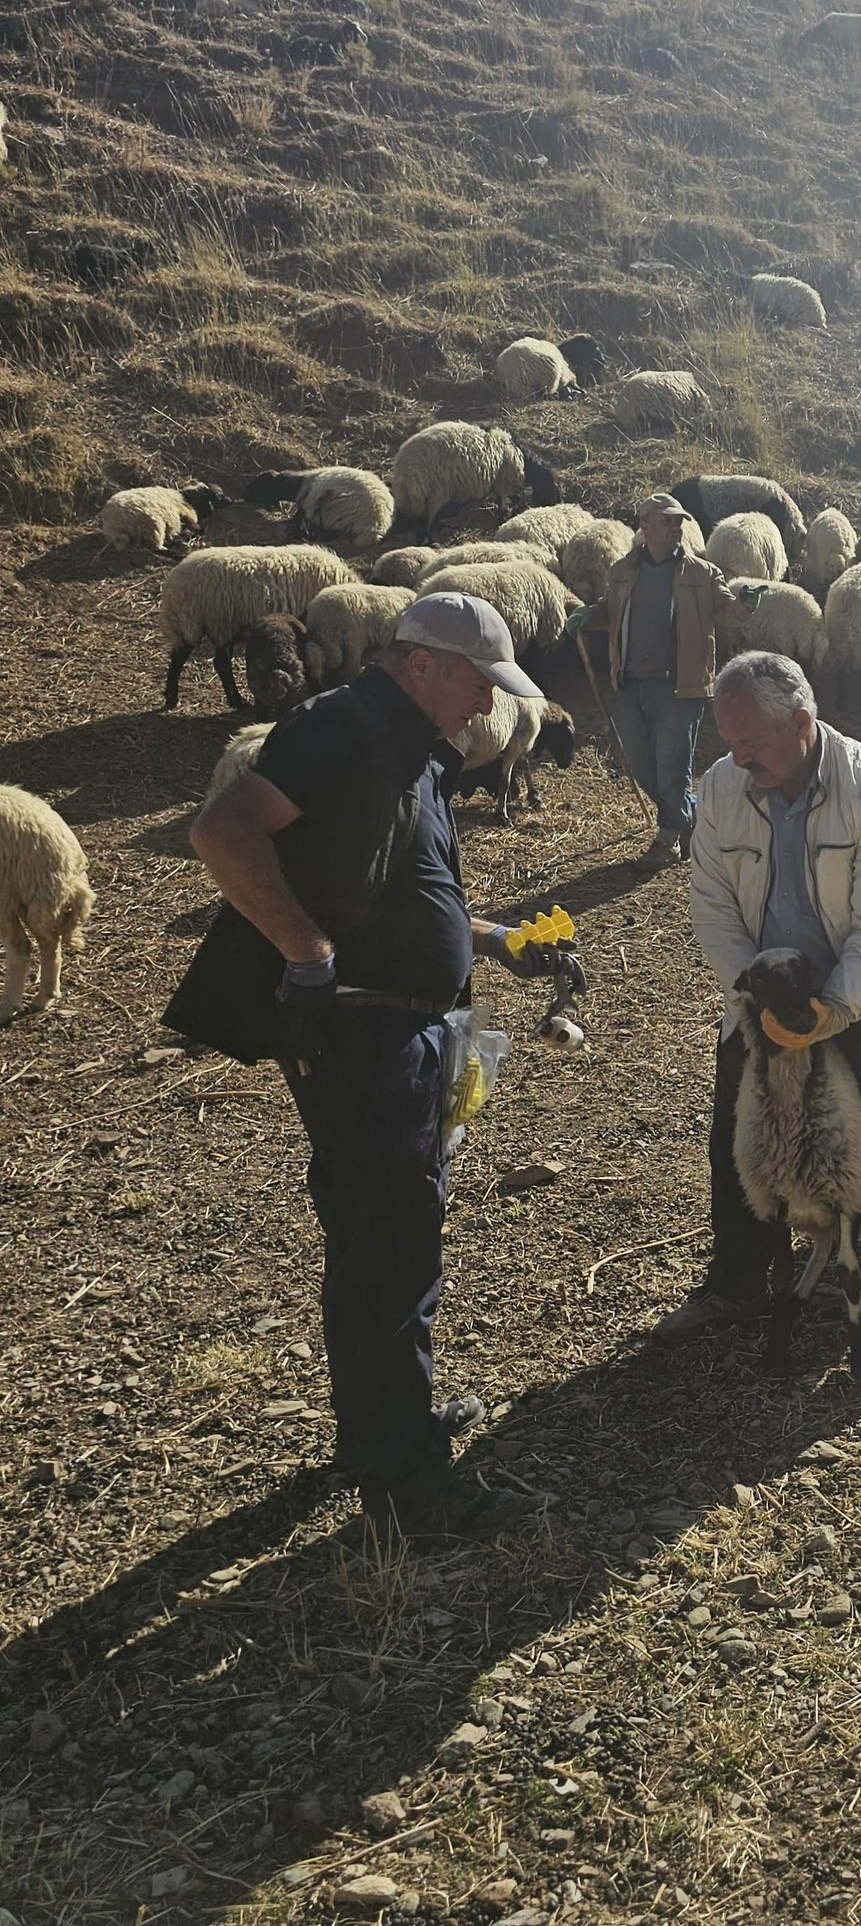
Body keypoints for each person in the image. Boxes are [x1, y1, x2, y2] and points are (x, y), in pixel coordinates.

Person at [170, 594, 574, 1536]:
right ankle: (408, 1487)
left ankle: (383, 1429)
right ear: (424, 664)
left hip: (409, 1030)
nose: (484, 706)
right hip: (361, 1036)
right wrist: (306, 954)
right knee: (388, 1238)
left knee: (384, 1234)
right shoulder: (340, 726)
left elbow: (403, 897)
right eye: (477, 683)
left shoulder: (415, 753)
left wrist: (498, 939)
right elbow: (222, 832)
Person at [659, 652, 861, 1398]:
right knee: (739, 1144)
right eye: (728, 740)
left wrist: (830, 1011)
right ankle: (738, 1282)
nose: (737, 755)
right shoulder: (722, 791)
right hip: (763, 999)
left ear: (804, 724)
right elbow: (712, 905)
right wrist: (752, 994)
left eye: (751, 740)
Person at [604, 493, 742, 868]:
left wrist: (747, 604)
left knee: (672, 762)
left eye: (679, 522)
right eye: (667, 522)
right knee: (639, 761)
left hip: (680, 686)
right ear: (645, 525)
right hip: (631, 682)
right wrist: (586, 615)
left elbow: (728, 611)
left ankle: (667, 841)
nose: (676, 528)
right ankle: (692, 815)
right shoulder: (622, 571)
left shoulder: (702, 574)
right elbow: (611, 611)